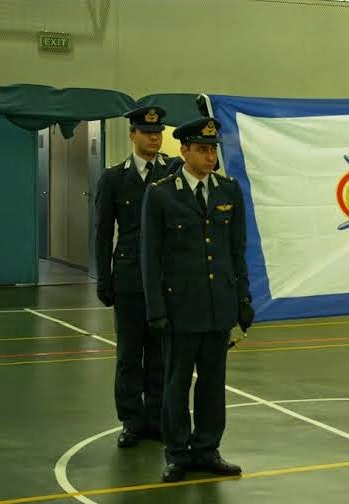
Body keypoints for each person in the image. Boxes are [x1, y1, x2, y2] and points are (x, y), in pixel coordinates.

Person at [140, 117, 255, 482]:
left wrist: (242, 299)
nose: (210, 157)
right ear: (185, 150)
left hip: (218, 305)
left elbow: (237, 250)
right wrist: (156, 307)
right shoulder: (161, 193)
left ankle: (207, 449)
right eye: (202, 149)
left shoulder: (228, 190)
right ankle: (177, 452)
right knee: (176, 383)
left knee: (212, 382)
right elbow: (150, 256)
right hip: (180, 306)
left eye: (213, 150)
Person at [94, 106, 171, 447]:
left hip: (165, 278)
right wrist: (104, 278)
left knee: (160, 353)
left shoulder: (173, 171)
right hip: (127, 276)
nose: (154, 137)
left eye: (157, 132)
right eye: (146, 132)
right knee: (129, 354)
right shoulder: (113, 178)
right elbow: (101, 231)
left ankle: (156, 419)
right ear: (132, 135)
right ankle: (131, 420)